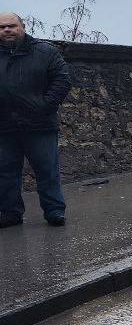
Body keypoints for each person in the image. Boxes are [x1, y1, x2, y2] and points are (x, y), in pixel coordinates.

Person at [0, 12, 72, 227]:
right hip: (4, 126)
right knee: (5, 173)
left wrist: (44, 106)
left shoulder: (45, 52)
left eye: (11, 26)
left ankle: (54, 211)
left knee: (47, 170)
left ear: (22, 27)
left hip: (39, 124)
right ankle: (10, 213)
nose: (6, 30)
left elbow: (62, 80)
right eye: (2, 27)